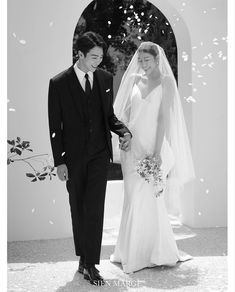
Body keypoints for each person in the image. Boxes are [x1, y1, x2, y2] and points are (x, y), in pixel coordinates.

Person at [48, 31, 132, 285]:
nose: (98, 61)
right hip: (72, 158)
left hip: (98, 155)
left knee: (94, 208)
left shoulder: (105, 78)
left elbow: (109, 116)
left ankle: (91, 264)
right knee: (78, 207)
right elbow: (55, 125)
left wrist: (124, 131)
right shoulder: (59, 83)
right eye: (93, 57)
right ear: (80, 54)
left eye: (100, 57)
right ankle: (83, 259)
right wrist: (59, 161)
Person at [110, 42, 195, 273]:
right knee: (132, 196)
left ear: (157, 60)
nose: (143, 64)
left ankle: (155, 251)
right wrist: (124, 136)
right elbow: (126, 113)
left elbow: (162, 119)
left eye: (147, 60)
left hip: (153, 146)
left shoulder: (166, 82)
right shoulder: (135, 80)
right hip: (133, 146)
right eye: (140, 60)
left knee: (150, 197)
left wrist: (157, 152)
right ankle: (129, 252)